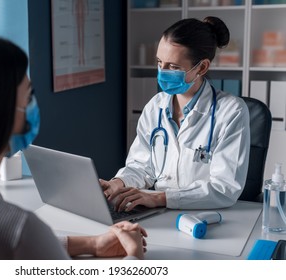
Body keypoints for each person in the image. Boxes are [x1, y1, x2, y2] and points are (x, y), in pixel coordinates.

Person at [0, 32, 147, 260]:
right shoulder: (15, 226)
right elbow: (16, 242)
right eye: (28, 96)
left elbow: (8, 249)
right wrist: (134, 257)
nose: (33, 106)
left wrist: (92, 244)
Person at [100, 17, 250, 211]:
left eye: (173, 67)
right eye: (159, 62)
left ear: (202, 67)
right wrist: (118, 183)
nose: (162, 72)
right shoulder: (155, 106)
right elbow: (141, 166)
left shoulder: (231, 112)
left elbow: (224, 188)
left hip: (208, 216)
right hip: (160, 212)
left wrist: (161, 198)